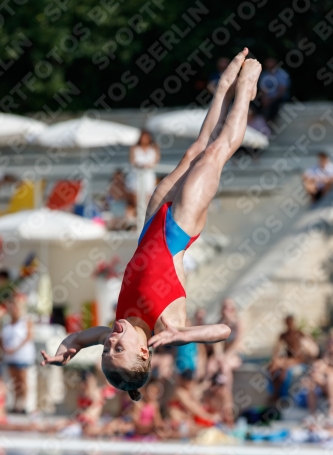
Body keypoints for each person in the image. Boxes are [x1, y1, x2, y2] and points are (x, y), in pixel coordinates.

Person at [40, 49, 262, 402]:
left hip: (151, 224)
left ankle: (223, 90)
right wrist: (179, 336)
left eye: (105, 348)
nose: (110, 340)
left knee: (193, 153)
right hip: (179, 229)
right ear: (144, 352)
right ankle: (247, 90)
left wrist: (68, 349)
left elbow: (78, 339)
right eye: (117, 348)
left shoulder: (118, 328)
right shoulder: (167, 327)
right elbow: (223, 329)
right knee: (216, 152)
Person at [268, 315, 319, 401]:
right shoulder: (284, 335)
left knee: (284, 372)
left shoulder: (299, 333)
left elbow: (311, 348)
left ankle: (282, 395)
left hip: (298, 359)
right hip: (289, 359)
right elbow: (277, 349)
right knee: (272, 369)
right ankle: (274, 393)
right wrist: (277, 359)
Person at [0, 294, 35, 413]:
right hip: (10, 356)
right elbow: (2, 338)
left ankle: (23, 404)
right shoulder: (7, 322)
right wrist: (5, 348)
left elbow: (28, 337)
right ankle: (15, 403)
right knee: (14, 381)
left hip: (22, 355)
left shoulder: (25, 321)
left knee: (22, 381)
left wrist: (15, 348)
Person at [127, 130, 160, 208]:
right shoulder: (134, 148)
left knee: (148, 194)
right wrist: (140, 165)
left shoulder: (154, 147)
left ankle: (146, 213)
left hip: (148, 174)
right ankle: (138, 212)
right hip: (137, 175)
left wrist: (148, 166)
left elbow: (156, 161)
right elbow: (132, 160)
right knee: (136, 193)